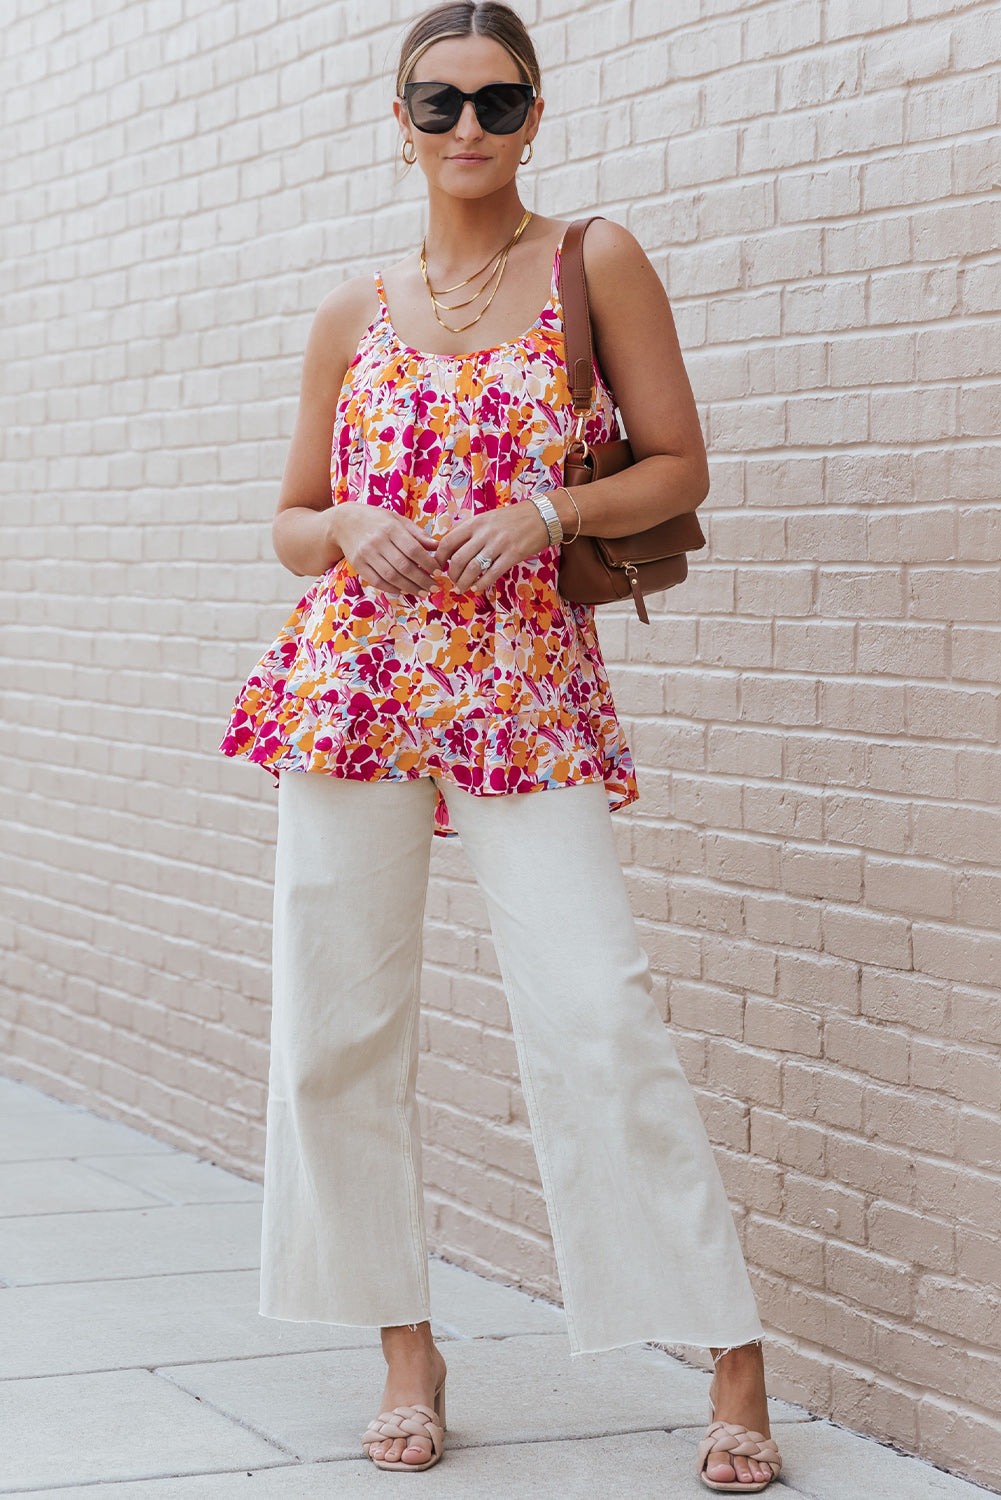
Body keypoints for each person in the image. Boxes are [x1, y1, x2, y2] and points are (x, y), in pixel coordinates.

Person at [219, 1, 783, 1489]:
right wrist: (344, 522)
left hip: (525, 686)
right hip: (348, 689)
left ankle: (728, 1355)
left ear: (535, 115)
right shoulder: (351, 310)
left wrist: (549, 514)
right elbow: (288, 523)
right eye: (438, 101)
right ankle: (406, 1347)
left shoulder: (593, 262)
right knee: (336, 1031)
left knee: (598, 1007)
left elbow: (677, 460)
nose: (466, 127)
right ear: (395, 117)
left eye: (496, 100)